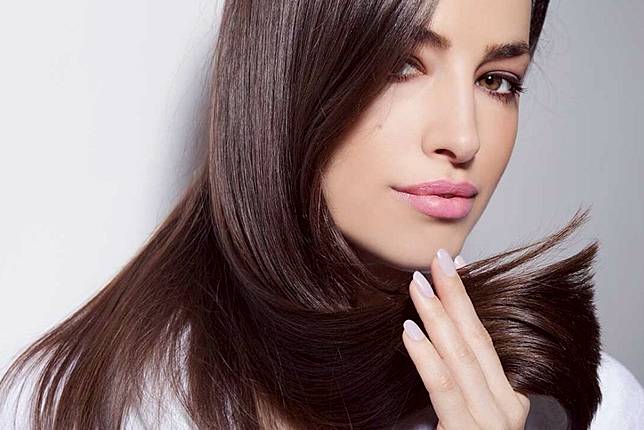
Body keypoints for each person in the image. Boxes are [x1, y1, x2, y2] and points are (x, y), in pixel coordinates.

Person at [1, 0, 643, 428]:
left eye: (497, 80)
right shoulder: (77, 400)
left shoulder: (588, 405)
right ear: (287, 75)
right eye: (402, 64)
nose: (464, 137)